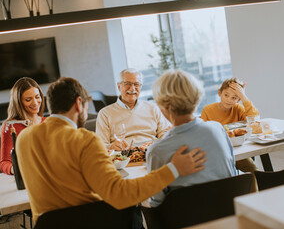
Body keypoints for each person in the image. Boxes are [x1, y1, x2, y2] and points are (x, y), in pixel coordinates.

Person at [16, 77, 207, 223]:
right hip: (89, 224)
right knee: (135, 210)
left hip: (47, 225)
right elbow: (120, 195)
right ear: (78, 103)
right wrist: (173, 169)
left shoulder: (23, 138)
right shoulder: (84, 140)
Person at [147, 70, 236, 206]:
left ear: (164, 106)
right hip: (228, 214)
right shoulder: (218, 129)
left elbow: (157, 205)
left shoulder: (157, 151)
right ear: (196, 97)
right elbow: (231, 174)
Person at [201, 77, 259, 192]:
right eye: (226, 95)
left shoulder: (238, 108)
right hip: (218, 155)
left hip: (238, 152)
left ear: (238, 100)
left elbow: (255, 121)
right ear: (219, 93)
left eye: (234, 97)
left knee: (253, 169)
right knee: (225, 176)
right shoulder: (208, 110)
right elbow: (203, 134)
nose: (229, 100)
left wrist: (244, 97)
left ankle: (255, 198)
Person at [96, 68, 170, 150]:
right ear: (119, 86)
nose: (132, 88)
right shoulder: (105, 114)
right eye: (127, 84)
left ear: (141, 86)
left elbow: (164, 133)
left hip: (152, 152)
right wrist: (111, 146)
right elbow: (101, 145)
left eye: (136, 84)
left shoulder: (153, 108)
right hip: (124, 156)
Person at [0, 77, 45, 175]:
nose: (35, 103)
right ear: (18, 102)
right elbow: (4, 163)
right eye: (28, 100)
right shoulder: (11, 127)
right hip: (29, 176)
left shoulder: (47, 122)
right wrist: (16, 170)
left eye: (37, 97)